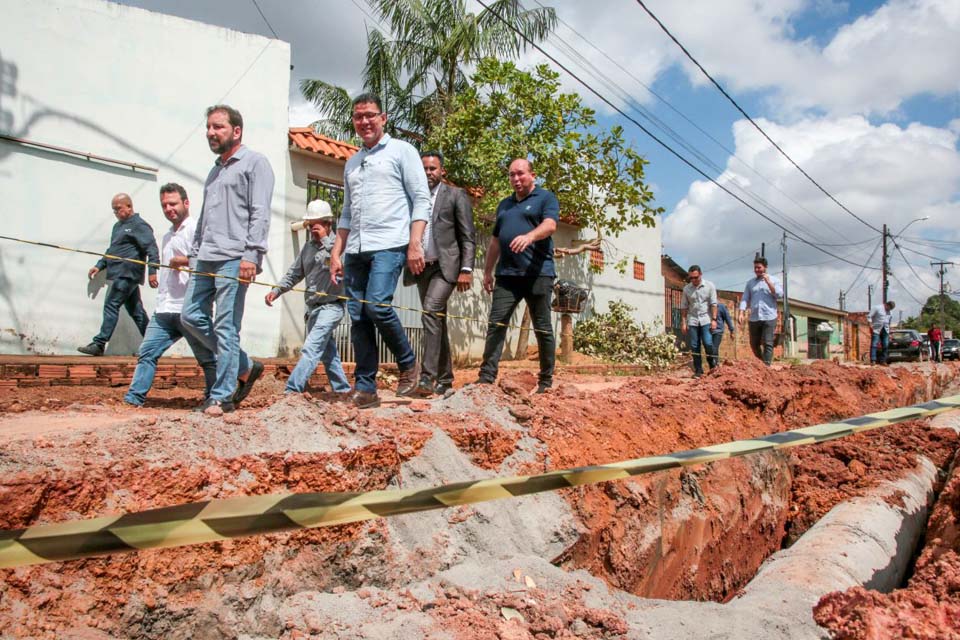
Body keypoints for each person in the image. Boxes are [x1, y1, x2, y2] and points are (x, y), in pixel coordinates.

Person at [329, 93, 431, 409]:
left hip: (390, 243)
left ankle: (408, 363)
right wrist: (336, 252)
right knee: (358, 316)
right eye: (358, 117)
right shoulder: (352, 162)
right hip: (356, 249)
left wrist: (415, 243)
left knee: (377, 305)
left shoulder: (402, 151)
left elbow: (421, 199)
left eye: (370, 115)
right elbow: (347, 212)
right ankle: (366, 388)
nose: (364, 121)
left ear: (383, 118)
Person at [181, 104, 275, 416]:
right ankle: (245, 365)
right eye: (208, 127)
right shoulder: (215, 171)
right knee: (190, 316)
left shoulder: (255, 163)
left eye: (218, 127)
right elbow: (204, 218)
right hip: (206, 257)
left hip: (235, 258)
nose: (211, 132)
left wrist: (252, 255)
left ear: (236, 131)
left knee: (226, 327)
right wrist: (194, 254)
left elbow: (260, 213)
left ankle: (221, 397)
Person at [124, 184, 216, 406]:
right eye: (164, 205)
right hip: (165, 309)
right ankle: (134, 399)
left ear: (186, 203)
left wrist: (183, 260)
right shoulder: (167, 236)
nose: (168, 209)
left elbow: (208, 261)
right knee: (147, 352)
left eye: (173, 204)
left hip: (189, 308)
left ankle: (215, 398)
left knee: (207, 358)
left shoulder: (195, 230)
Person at [477, 158, 558, 393]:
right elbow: (495, 241)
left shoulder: (545, 198)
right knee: (496, 324)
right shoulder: (504, 205)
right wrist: (487, 271)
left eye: (520, 174)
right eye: (512, 175)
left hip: (538, 274)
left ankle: (545, 381)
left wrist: (530, 236)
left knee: (542, 327)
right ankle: (486, 378)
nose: (516, 179)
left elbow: (550, 225)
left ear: (533, 175)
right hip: (507, 276)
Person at [402, 151, 476, 397]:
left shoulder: (455, 195)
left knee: (431, 311)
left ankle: (427, 376)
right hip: (422, 267)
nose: (428, 173)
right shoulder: (413, 197)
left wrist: (466, 269)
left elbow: (467, 236)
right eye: (424, 168)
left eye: (432, 168)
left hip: (446, 267)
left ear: (442, 171)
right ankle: (445, 378)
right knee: (437, 319)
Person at [266, 200, 351, 396]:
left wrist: (327, 243)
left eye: (317, 224)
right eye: (310, 225)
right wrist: (276, 291)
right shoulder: (307, 248)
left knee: (311, 347)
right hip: (313, 309)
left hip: (332, 307)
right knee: (328, 353)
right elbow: (294, 274)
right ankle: (342, 389)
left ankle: (292, 389)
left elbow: (344, 269)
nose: (313, 229)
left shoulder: (339, 248)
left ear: (328, 224)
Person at [78, 193, 159, 356]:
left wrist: (152, 272)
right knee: (136, 311)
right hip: (119, 273)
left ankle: (99, 343)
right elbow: (112, 250)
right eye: (114, 210)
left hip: (127, 273)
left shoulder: (139, 225)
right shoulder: (117, 227)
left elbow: (151, 248)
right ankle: (153, 345)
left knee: (111, 305)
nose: (116, 212)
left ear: (129, 206)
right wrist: (99, 266)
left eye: (118, 209)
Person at [738, 256, 783, 366]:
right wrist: (741, 312)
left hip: (769, 316)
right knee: (754, 344)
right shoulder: (750, 283)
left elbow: (779, 295)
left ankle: (766, 367)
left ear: (765, 267)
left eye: (759, 267)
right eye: (755, 268)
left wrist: (769, 282)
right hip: (754, 317)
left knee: (768, 343)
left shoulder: (774, 280)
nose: (757, 270)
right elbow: (745, 298)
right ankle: (762, 364)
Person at [680, 265, 718, 378]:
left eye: (696, 277)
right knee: (694, 345)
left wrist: (714, 319)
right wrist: (683, 322)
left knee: (707, 343)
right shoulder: (686, 289)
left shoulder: (710, 286)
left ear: (700, 275)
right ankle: (698, 370)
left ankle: (712, 366)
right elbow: (684, 307)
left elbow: (713, 304)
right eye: (691, 278)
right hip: (693, 320)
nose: (694, 280)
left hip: (706, 319)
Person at [868, 300, 896, 365]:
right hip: (876, 329)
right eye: (889, 308)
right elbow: (869, 316)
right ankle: (873, 360)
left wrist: (889, 330)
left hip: (885, 329)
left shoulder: (890, 312)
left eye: (891, 309)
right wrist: (870, 325)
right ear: (887, 305)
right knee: (874, 344)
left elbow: (889, 321)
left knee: (885, 345)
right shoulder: (877, 308)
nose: (889, 310)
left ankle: (883, 360)